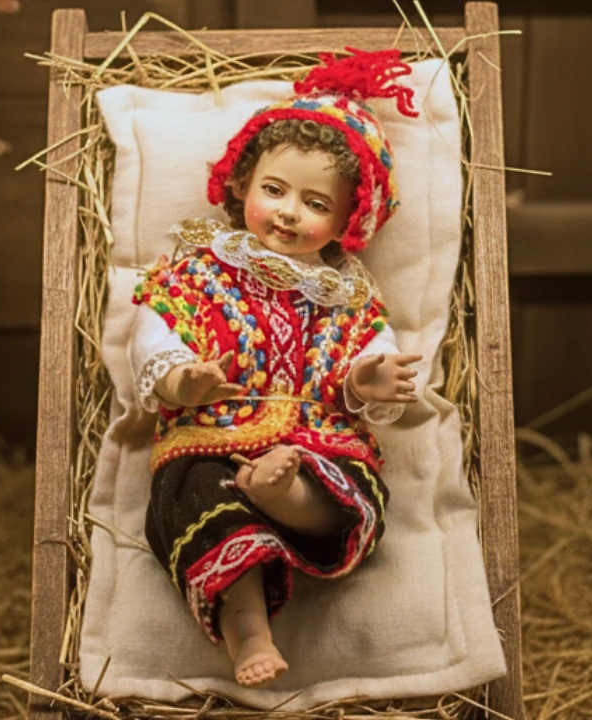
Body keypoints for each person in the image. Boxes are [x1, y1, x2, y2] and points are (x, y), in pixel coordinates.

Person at [129, 48, 421, 688]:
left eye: (316, 203)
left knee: (357, 495)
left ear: (348, 221)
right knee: (196, 500)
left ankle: (285, 496)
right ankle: (250, 632)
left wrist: (366, 380)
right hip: (213, 435)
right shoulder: (200, 271)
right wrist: (181, 376)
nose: (289, 211)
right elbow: (152, 329)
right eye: (274, 190)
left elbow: (374, 354)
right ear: (239, 183)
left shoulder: (349, 297)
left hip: (315, 439)